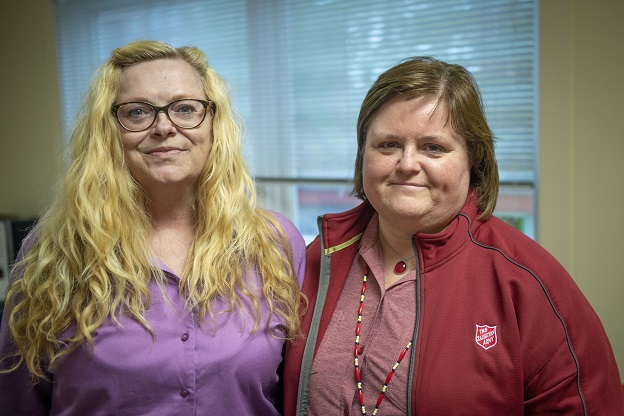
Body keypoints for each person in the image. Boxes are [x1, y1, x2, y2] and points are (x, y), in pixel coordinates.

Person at [283, 56, 623, 415]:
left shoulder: (528, 283)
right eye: (388, 145)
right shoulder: (319, 257)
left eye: (433, 147)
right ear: (363, 153)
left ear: (472, 158)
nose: (408, 164)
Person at [0, 40, 306, 415]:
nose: (164, 127)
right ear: (109, 129)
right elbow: (18, 399)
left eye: (185, 108)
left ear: (213, 122)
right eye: (138, 112)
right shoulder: (52, 251)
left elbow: (294, 389)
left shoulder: (275, 242)